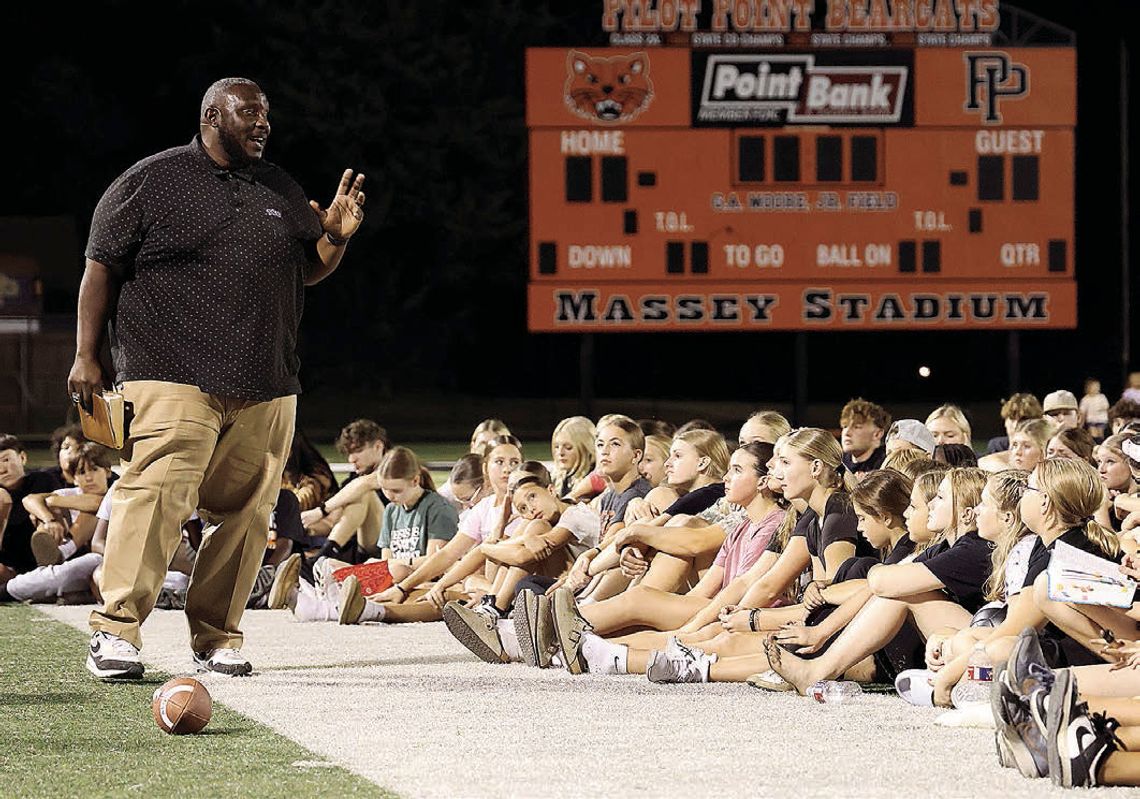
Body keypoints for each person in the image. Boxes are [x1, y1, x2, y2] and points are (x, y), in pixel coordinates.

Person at [69, 76, 367, 680]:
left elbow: (305, 272)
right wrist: (86, 356)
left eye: (267, 115)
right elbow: (100, 269)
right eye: (249, 113)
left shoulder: (279, 186)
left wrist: (333, 238)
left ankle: (216, 636)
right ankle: (117, 631)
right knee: (154, 494)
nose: (264, 124)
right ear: (211, 116)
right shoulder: (150, 181)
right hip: (170, 370)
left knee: (249, 511)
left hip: (266, 377)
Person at [0, 434, 65, 582]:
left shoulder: (42, 479)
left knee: (45, 507)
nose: (2, 469)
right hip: (10, 565)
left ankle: (49, 566)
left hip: (48, 546)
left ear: (22, 458)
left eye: (6, 460)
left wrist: (48, 519)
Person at [839, 398, 891, 480]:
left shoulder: (888, 466)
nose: (847, 433)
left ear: (877, 434)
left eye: (857, 427)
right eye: (845, 426)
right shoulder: (837, 463)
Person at [549, 416, 596, 498]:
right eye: (556, 447)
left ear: (585, 448)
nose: (560, 453)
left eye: (568, 447)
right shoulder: (558, 477)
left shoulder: (595, 479)